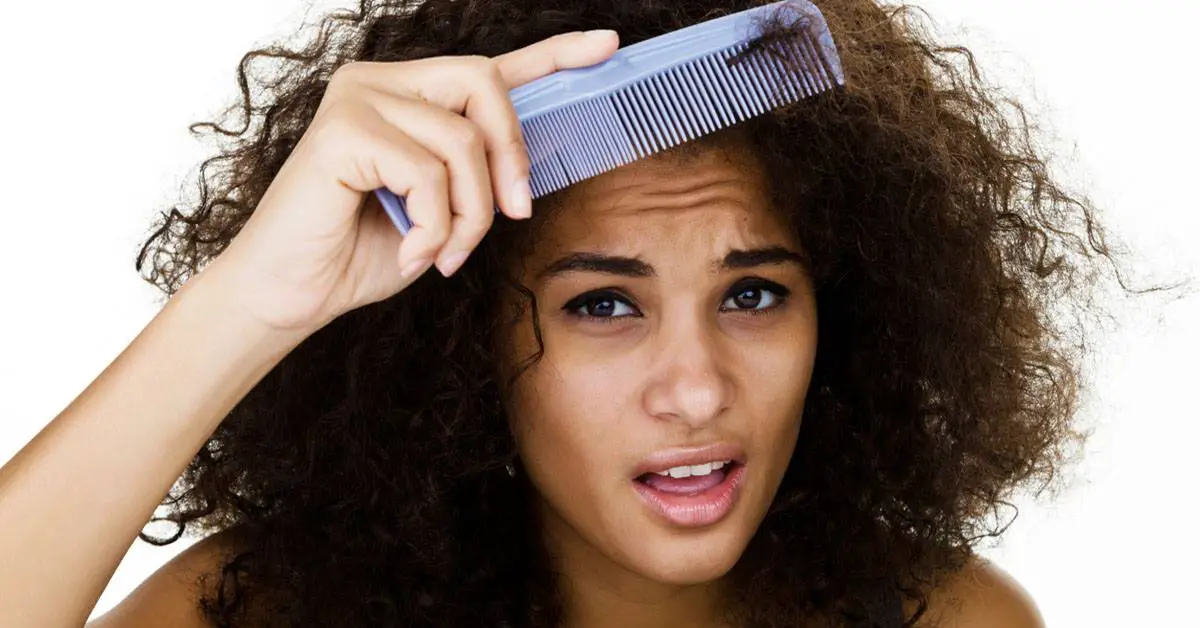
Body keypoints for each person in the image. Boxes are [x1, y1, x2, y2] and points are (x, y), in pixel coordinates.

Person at [0, 0, 1121, 625]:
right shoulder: (268, 615)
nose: (697, 389)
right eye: (600, 303)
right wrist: (252, 300)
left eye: (753, 293)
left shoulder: (946, 623)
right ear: (462, 345)